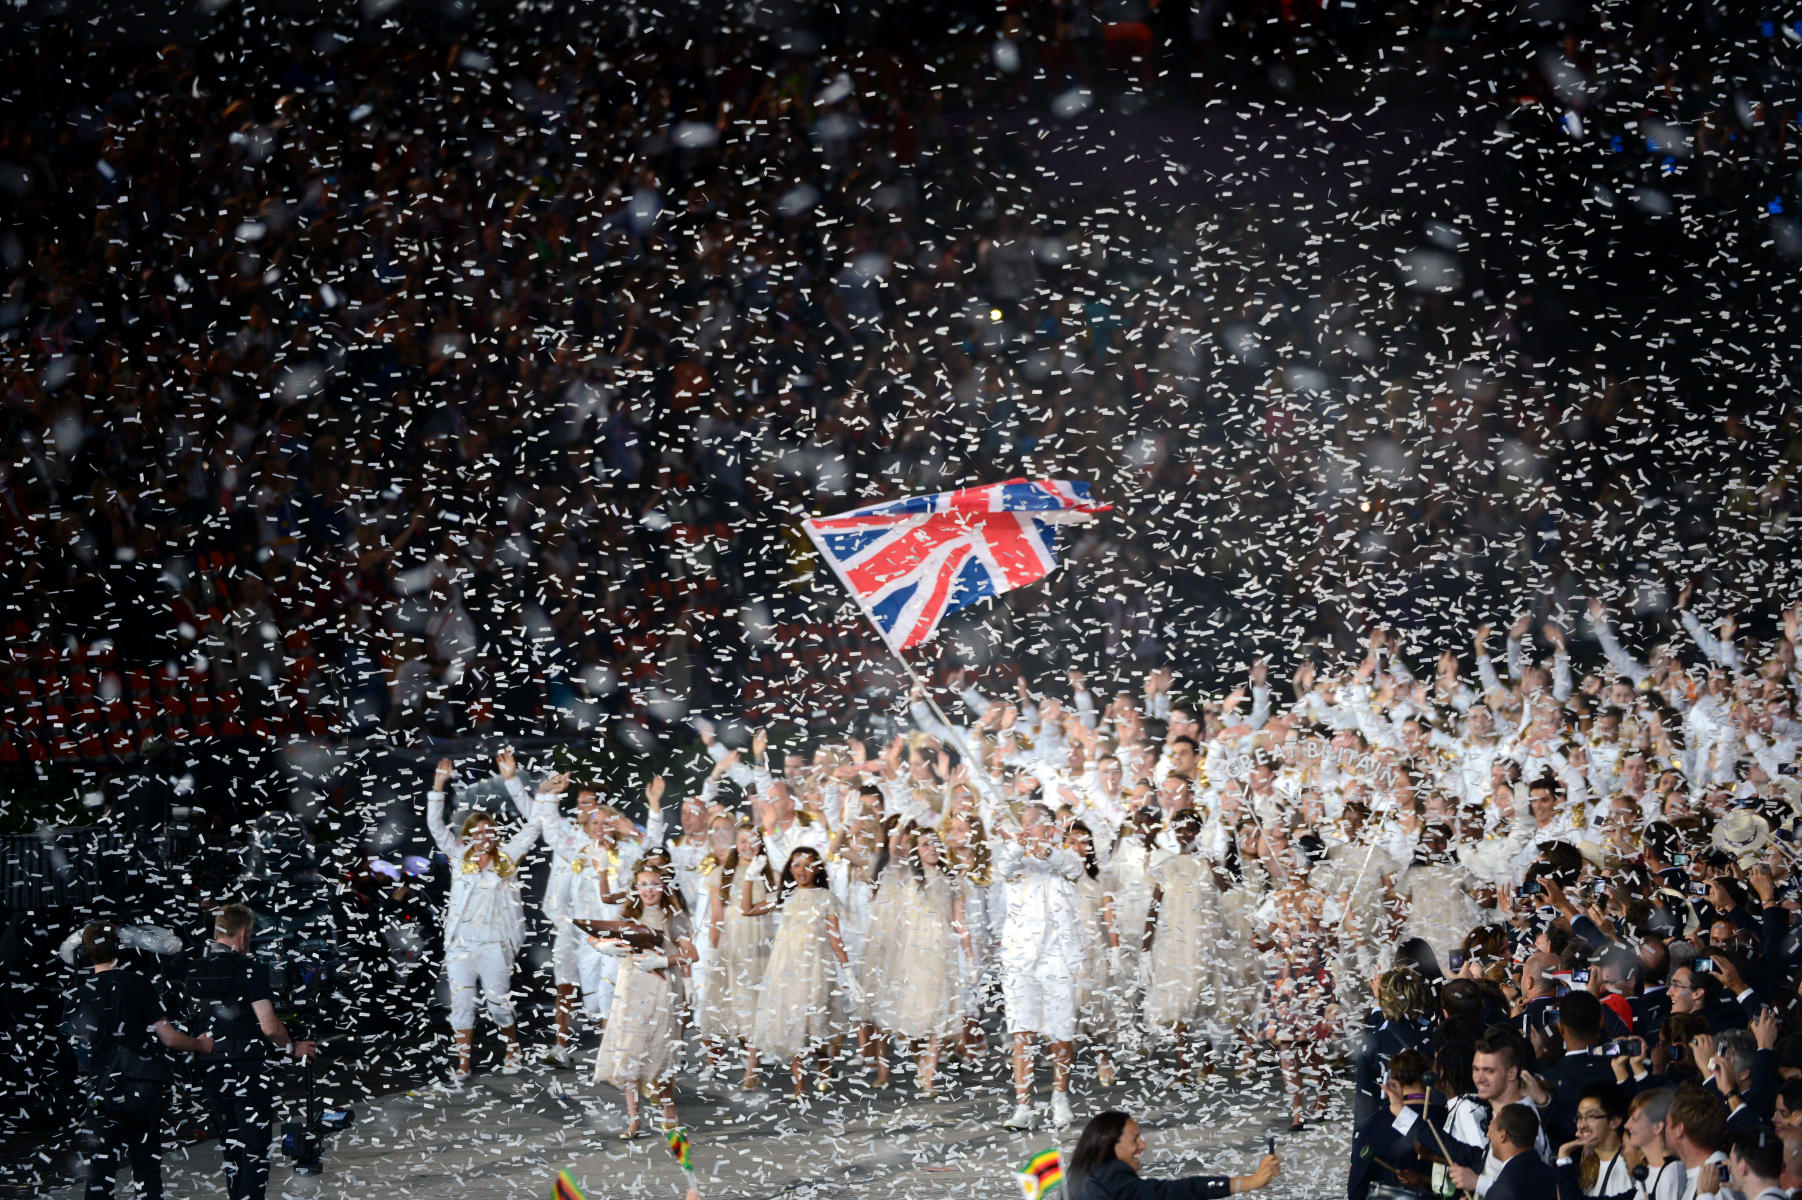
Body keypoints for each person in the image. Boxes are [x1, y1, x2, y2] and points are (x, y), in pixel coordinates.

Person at [65, 920, 212, 1200]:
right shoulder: (137, 984)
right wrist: (200, 1045)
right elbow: (168, 1037)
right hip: (142, 1087)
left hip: (103, 1091)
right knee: (146, 1168)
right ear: (119, 947)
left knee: (99, 1172)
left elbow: (79, 1046)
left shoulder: (79, 993)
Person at [185, 903, 318, 1200]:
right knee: (254, 1150)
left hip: (210, 1070)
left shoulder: (194, 970)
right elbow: (269, 1026)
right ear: (243, 934)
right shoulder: (249, 969)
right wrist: (292, 1047)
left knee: (231, 1148)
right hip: (248, 1069)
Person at [425, 757, 541, 1081]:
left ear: (495, 834)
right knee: (461, 1004)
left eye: (489, 830)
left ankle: (512, 1049)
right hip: (461, 945)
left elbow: (535, 824)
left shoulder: (509, 858)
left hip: (494, 945)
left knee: (497, 1002)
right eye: (477, 831)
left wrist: (511, 779)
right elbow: (436, 826)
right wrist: (438, 785)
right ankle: (463, 1064)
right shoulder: (459, 858)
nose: (484, 835)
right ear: (469, 836)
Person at [590, 865, 697, 1139]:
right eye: (643, 884)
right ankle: (634, 1119)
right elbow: (594, 933)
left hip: (662, 990)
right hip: (631, 989)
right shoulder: (627, 916)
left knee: (661, 1049)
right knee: (630, 1050)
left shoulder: (674, 917)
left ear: (663, 887)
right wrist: (601, 946)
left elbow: (692, 954)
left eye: (654, 884)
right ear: (636, 888)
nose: (649, 889)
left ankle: (667, 1108)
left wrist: (664, 961)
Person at [998, 802, 1085, 1131]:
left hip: (1057, 958)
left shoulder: (1064, 857)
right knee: (1023, 1032)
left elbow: (1074, 869)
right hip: (1021, 958)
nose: (1025, 828)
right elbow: (1003, 869)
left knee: (1061, 1032)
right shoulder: (1014, 857)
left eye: (1032, 824)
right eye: (1024, 823)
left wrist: (1046, 850)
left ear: (1048, 828)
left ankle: (1060, 1098)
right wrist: (1019, 847)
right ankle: (1023, 1105)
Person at [750, 846, 853, 1097]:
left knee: (815, 1024)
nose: (802, 870)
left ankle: (824, 1065)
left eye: (808, 865)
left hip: (816, 968)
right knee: (795, 1023)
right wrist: (748, 877)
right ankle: (799, 1085)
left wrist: (847, 970)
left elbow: (834, 937)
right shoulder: (785, 895)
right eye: (796, 865)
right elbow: (748, 909)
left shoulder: (826, 897)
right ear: (790, 869)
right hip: (787, 968)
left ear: (817, 868)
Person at [1064, 1109, 1280, 1199]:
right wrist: (1250, 1182)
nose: (1143, 1146)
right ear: (1111, 1144)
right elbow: (1175, 1191)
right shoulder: (1112, 1175)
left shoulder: (1081, 1174)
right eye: (1135, 1139)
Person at [1553, 1082, 1635, 1198]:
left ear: (1614, 1121)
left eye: (1591, 1116)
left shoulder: (1628, 1167)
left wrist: (1563, 1157)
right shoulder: (1588, 1166)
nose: (1582, 1125)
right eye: (1580, 1117)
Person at [1483, 1104, 1557, 1200]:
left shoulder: (1502, 1191)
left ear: (1502, 1135)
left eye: (1492, 1129)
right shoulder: (1549, 1174)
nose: (1488, 1135)